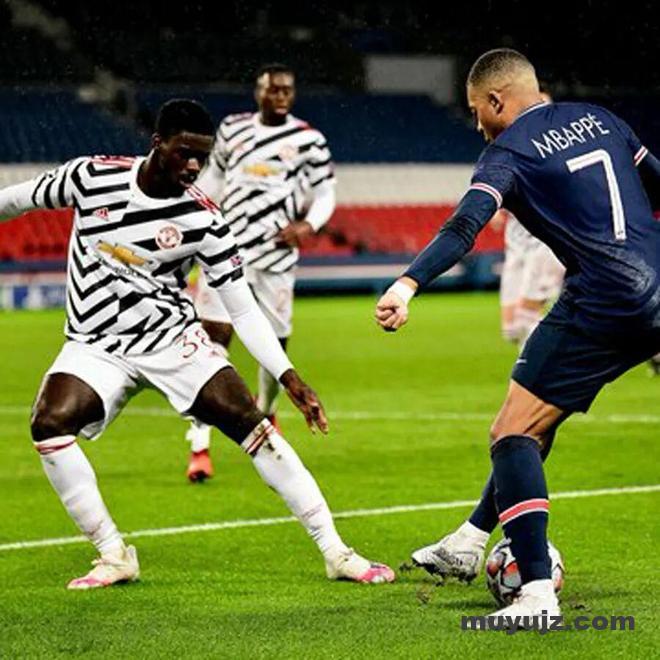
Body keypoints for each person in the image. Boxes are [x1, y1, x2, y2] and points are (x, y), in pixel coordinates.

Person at [0, 99, 394, 590]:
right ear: (157, 143)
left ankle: (337, 552)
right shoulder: (91, 176)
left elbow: (242, 309)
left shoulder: (204, 218)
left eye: (202, 158)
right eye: (184, 153)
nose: (193, 166)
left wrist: (288, 375)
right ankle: (113, 554)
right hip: (95, 345)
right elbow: (15, 201)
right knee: (49, 423)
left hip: (172, 342)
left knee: (253, 425)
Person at [375, 49, 660, 622]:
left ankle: (536, 594)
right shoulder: (601, 118)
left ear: (496, 100)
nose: (476, 122)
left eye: (475, 109)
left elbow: (464, 226)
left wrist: (407, 285)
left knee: (512, 432)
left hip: (604, 299)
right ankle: (469, 539)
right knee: (533, 418)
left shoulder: (507, 152)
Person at [183, 63, 336, 483]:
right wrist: (195, 220)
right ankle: (199, 444)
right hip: (225, 251)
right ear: (259, 92)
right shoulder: (233, 129)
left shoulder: (308, 140)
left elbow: (325, 193)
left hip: (276, 257)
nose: (281, 96)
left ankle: (266, 411)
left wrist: (309, 225)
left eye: (287, 90)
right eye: (273, 89)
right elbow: (213, 179)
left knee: (275, 344)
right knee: (211, 343)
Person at [495, 208, 564, 347]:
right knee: (511, 330)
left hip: (544, 248)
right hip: (515, 250)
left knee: (525, 318)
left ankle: (544, 358)